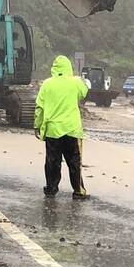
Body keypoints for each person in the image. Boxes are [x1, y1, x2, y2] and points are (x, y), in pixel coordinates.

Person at [34, 55, 89, 199]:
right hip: (71, 129)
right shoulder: (75, 83)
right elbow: (84, 92)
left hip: (53, 130)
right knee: (74, 161)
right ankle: (78, 190)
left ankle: (51, 189)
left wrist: (37, 126)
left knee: (52, 161)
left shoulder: (47, 84)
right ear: (69, 67)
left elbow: (39, 107)